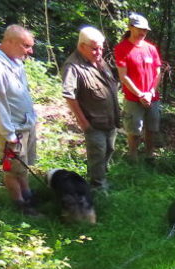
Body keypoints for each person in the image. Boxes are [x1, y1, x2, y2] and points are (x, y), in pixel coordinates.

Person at [0, 25, 39, 215]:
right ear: (10, 42)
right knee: (12, 169)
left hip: (25, 124)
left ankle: (28, 195)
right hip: (11, 129)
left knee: (23, 165)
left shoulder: (16, 62)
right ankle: (20, 205)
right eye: (26, 46)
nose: (30, 51)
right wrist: (8, 134)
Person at [61, 26, 120, 191]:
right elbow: (69, 95)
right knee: (97, 155)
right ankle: (97, 187)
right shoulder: (73, 66)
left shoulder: (99, 61)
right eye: (94, 48)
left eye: (101, 48)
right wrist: (83, 121)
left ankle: (102, 179)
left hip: (110, 119)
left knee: (109, 150)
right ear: (81, 46)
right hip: (93, 122)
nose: (99, 52)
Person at [114, 13, 161, 162]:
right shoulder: (122, 48)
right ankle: (133, 157)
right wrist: (141, 94)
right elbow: (123, 76)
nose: (143, 33)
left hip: (152, 97)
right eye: (139, 29)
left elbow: (158, 71)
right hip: (133, 98)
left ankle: (149, 156)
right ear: (130, 27)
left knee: (151, 129)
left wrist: (151, 91)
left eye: (145, 30)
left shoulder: (151, 48)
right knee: (134, 130)